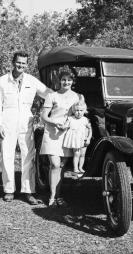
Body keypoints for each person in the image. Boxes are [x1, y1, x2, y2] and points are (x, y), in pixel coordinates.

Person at [0, 51, 52, 204]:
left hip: (26, 120)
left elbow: (48, 94)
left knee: (28, 155)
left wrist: (68, 96)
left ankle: (28, 190)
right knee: (7, 155)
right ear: (13, 62)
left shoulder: (32, 80)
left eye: (23, 63)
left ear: (27, 64)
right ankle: (9, 190)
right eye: (18, 62)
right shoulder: (2, 81)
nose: (20, 65)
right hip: (7, 121)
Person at [40, 71, 85, 207]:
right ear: (59, 81)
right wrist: (55, 123)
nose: (66, 82)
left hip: (68, 135)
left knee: (61, 166)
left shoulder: (78, 97)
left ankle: (59, 196)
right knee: (54, 164)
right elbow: (44, 116)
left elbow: (81, 114)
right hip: (52, 133)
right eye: (64, 79)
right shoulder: (52, 96)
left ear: (73, 81)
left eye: (69, 80)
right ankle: (53, 197)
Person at [63, 100, 92, 174]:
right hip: (75, 139)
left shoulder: (85, 119)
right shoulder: (71, 118)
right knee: (76, 154)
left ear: (84, 111)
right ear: (73, 111)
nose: (79, 112)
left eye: (81, 110)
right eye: (77, 110)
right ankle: (75, 168)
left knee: (82, 154)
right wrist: (62, 126)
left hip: (83, 139)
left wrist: (88, 138)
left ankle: (80, 167)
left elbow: (89, 130)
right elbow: (65, 126)